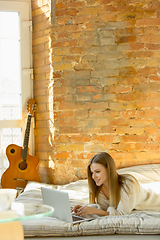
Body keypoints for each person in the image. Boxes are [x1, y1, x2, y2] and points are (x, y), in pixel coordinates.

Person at [73, 152, 160, 217]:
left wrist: (93, 211)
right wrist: (85, 209)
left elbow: (120, 214)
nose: (93, 176)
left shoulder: (128, 184)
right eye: (92, 173)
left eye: (97, 172)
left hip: (156, 202)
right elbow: (104, 209)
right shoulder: (100, 188)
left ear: (109, 170)